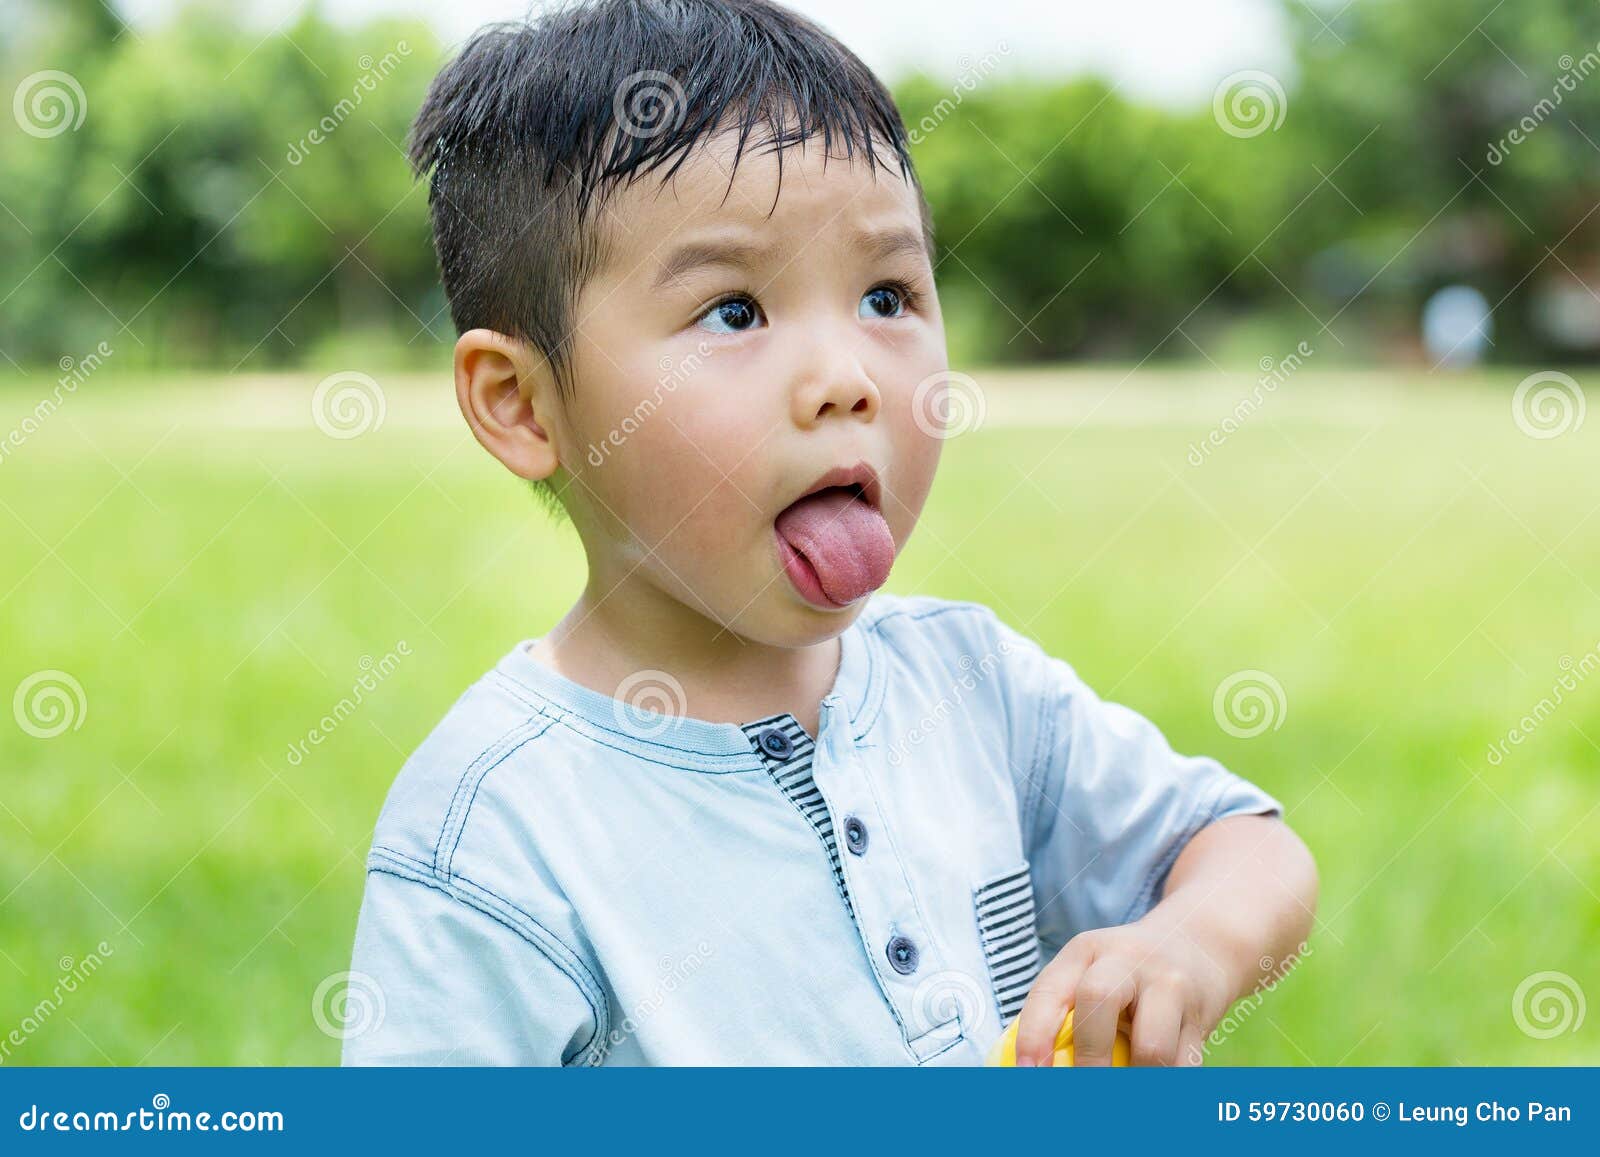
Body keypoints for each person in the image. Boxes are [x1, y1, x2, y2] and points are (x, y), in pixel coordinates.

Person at [343, 0, 1318, 1067]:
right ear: (525, 405)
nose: (847, 379)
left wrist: (1185, 943)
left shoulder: (968, 684)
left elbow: (1246, 848)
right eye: (734, 312)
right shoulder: (500, 826)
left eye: (887, 295)